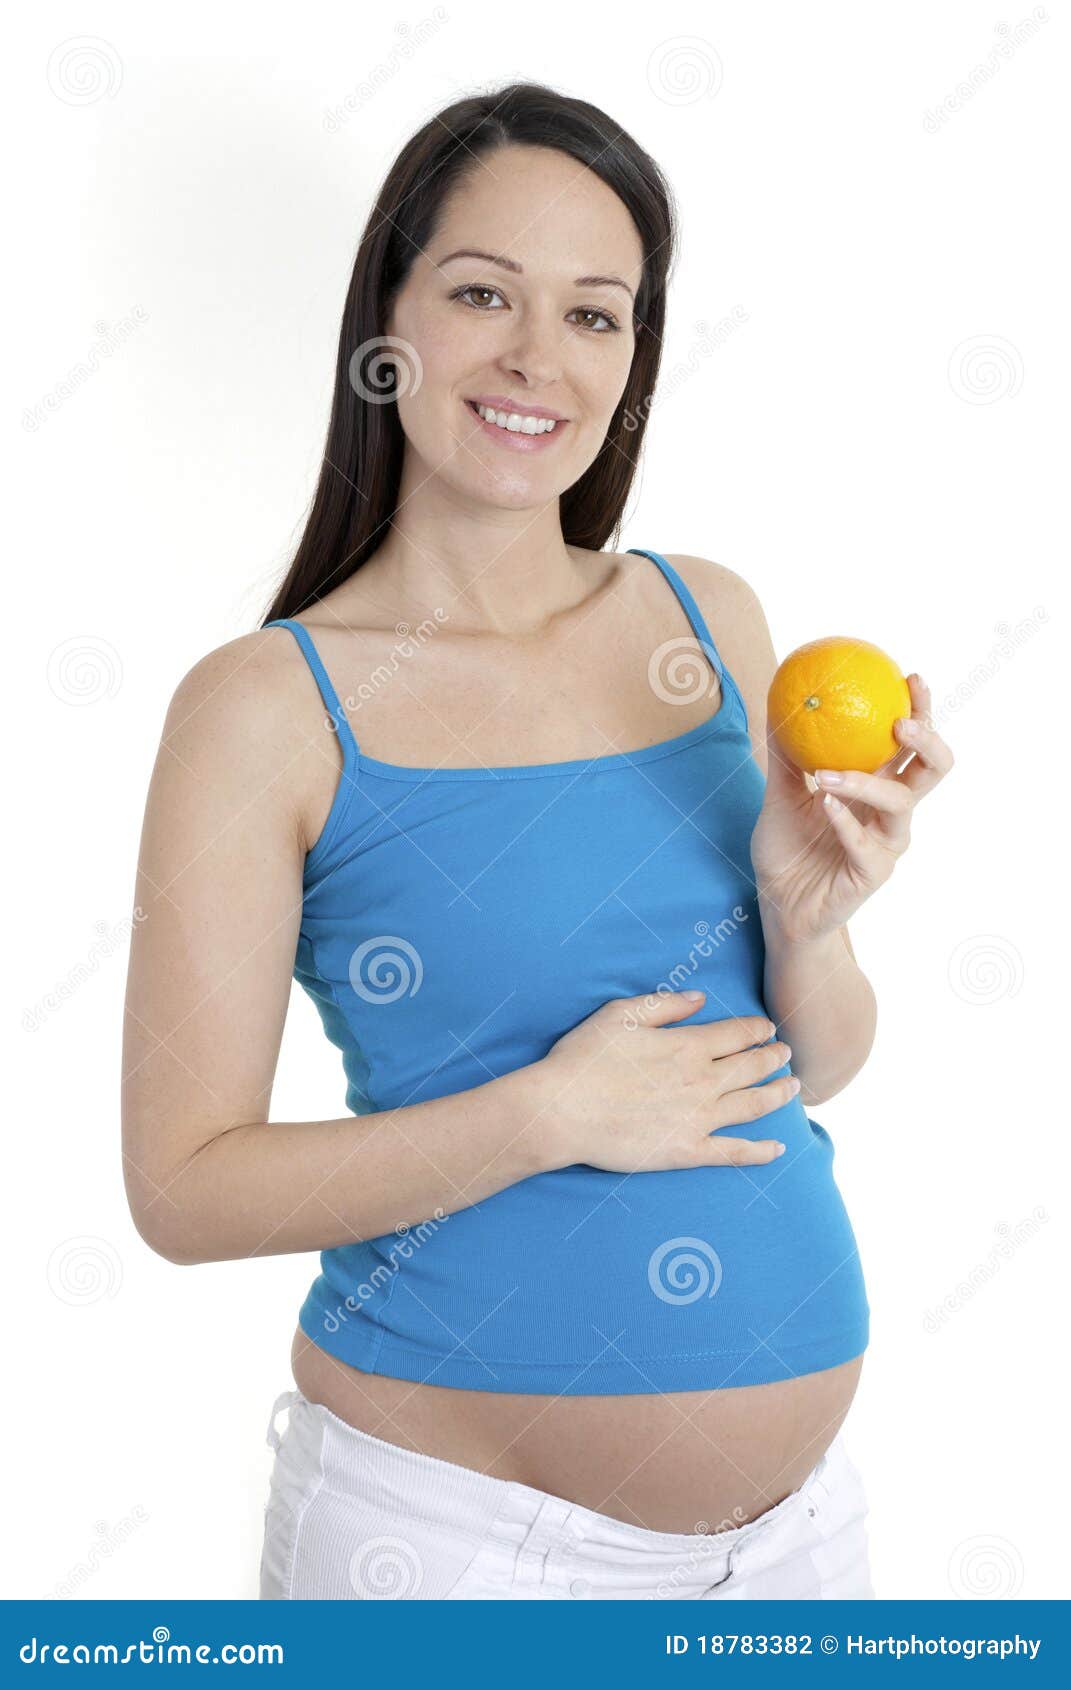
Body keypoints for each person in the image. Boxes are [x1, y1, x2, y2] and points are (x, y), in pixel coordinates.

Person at [121, 81, 953, 1601]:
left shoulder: (708, 621)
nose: (535, 358)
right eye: (481, 293)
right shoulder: (266, 708)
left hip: (797, 1548)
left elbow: (809, 1068)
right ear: (388, 320)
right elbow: (182, 1189)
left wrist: (804, 919)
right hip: (455, 1548)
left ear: (634, 356)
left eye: (593, 314)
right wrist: (547, 1114)